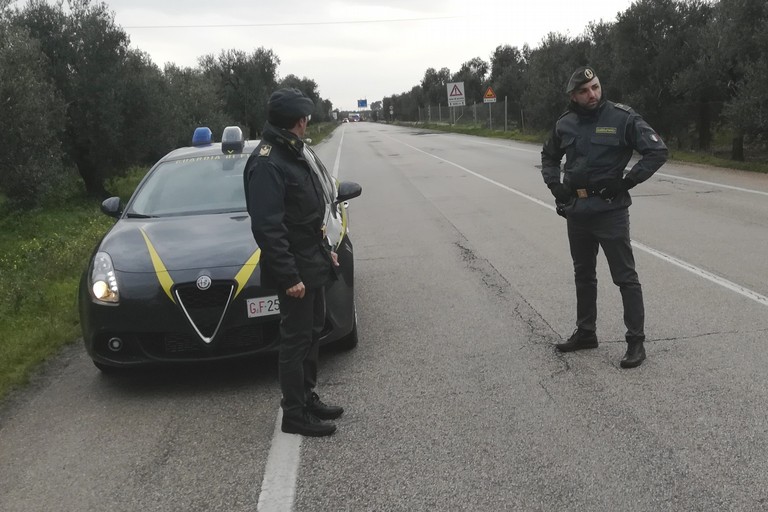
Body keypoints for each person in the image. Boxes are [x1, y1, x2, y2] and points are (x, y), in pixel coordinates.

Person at [540, 66, 668, 368]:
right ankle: (586, 333)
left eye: (595, 87)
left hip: (610, 211)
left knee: (625, 277)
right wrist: (554, 185)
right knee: (583, 274)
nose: (592, 94)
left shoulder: (621, 118)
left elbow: (657, 151)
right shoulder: (565, 123)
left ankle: (636, 342)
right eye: (584, 91)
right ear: (574, 95)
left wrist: (628, 181)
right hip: (577, 211)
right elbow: (549, 155)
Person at [244, 88, 343, 436]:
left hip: (310, 259)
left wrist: (324, 250)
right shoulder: (268, 162)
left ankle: (307, 396)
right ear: (298, 122)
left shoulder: (291, 153)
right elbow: (269, 228)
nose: (306, 125)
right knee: (296, 340)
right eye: (305, 119)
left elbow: (304, 217)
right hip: (294, 270)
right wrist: (288, 276)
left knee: (313, 332)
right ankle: (294, 414)